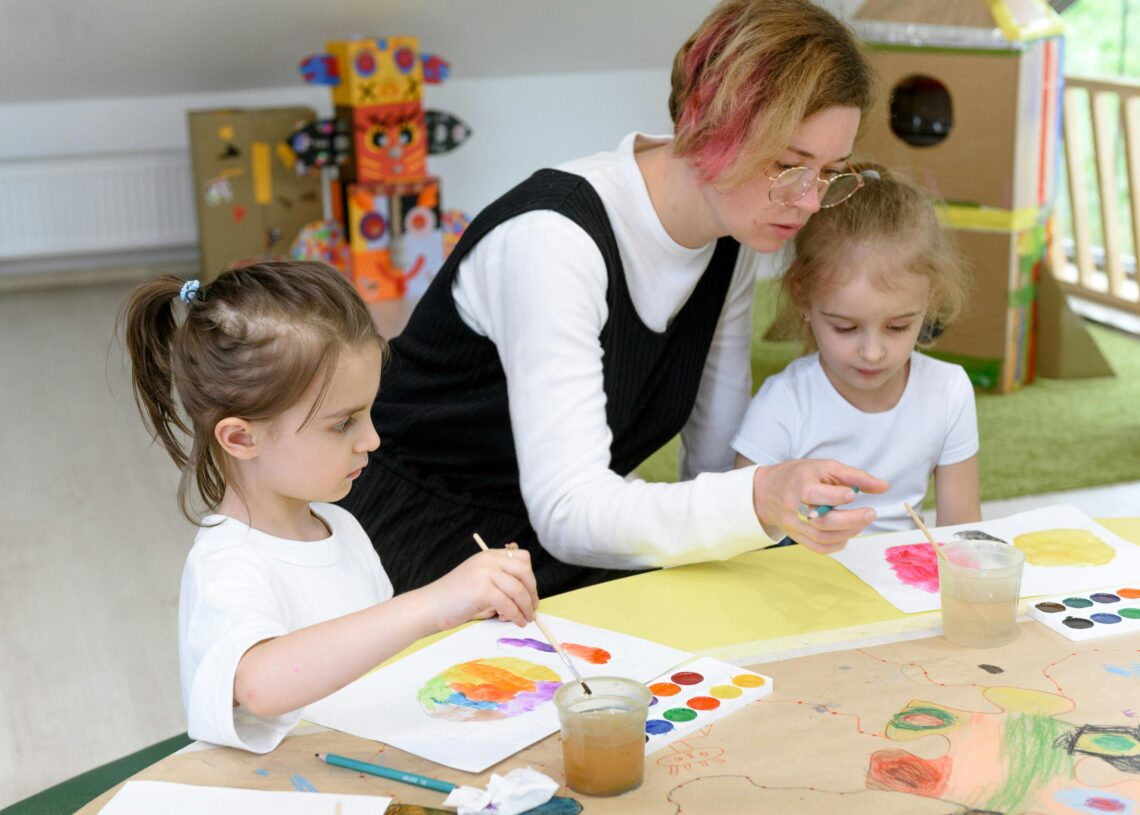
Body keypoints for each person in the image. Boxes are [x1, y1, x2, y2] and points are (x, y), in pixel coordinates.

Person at [342, 0, 889, 597]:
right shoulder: (554, 240)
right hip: (413, 541)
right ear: (707, 124)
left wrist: (768, 508)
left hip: (541, 545)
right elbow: (571, 512)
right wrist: (756, 499)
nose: (809, 202)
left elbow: (713, 459)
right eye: (788, 166)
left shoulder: (734, 234)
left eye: (830, 173)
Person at [121, 261, 538, 753]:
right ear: (241, 438)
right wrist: (432, 605)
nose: (373, 439)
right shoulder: (227, 561)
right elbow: (259, 684)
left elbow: (372, 656)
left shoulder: (340, 526)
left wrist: (468, 609)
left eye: (370, 412)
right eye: (343, 424)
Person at [733, 165, 979, 537]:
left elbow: (962, 533)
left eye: (898, 327)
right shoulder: (783, 403)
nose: (873, 353)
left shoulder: (949, 391)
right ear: (802, 295)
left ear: (931, 297)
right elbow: (742, 531)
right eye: (845, 328)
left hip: (901, 569)